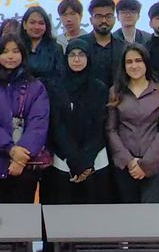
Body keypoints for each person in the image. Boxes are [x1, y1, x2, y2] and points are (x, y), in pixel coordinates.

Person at [0, 35, 49, 203]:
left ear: (23, 55)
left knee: (21, 218)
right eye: (5, 51)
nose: (10, 56)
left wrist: (20, 158)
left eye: (15, 51)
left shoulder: (36, 88)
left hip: (24, 167)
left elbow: (38, 124)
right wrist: (10, 149)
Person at [42, 39, 111, 204]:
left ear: (89, 58)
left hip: (94, 160)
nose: (77, 59)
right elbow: (57, 125)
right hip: (63, 160)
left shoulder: (100, 88)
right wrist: (73, 158)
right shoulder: (56, 87)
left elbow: (100, 127)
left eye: (81, 55)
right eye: (72, 55)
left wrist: (86, 160)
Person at [106, 43, 159, 203]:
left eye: (138, 60)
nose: (134, 65)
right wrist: (129, 161)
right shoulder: (115, 92)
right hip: (125, 166)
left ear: (146, 63)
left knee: (151, 216)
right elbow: (111, 130)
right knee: (129, 216)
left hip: (154, 165)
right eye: (129, 62)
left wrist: (145, 163)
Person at [77, 0, 126, 89]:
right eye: (98, 16)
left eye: (108, 16)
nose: (104, 20)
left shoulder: (123, 47)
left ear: (115, 19)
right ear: (91, 20)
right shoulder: (79, 45)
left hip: (118, 96)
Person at [20, 6, 65, 81]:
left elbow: (60, 78)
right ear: (24, 25)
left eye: (41, 23)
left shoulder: (55, 48)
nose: (37, 27)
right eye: (32, 22)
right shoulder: (17, 47)